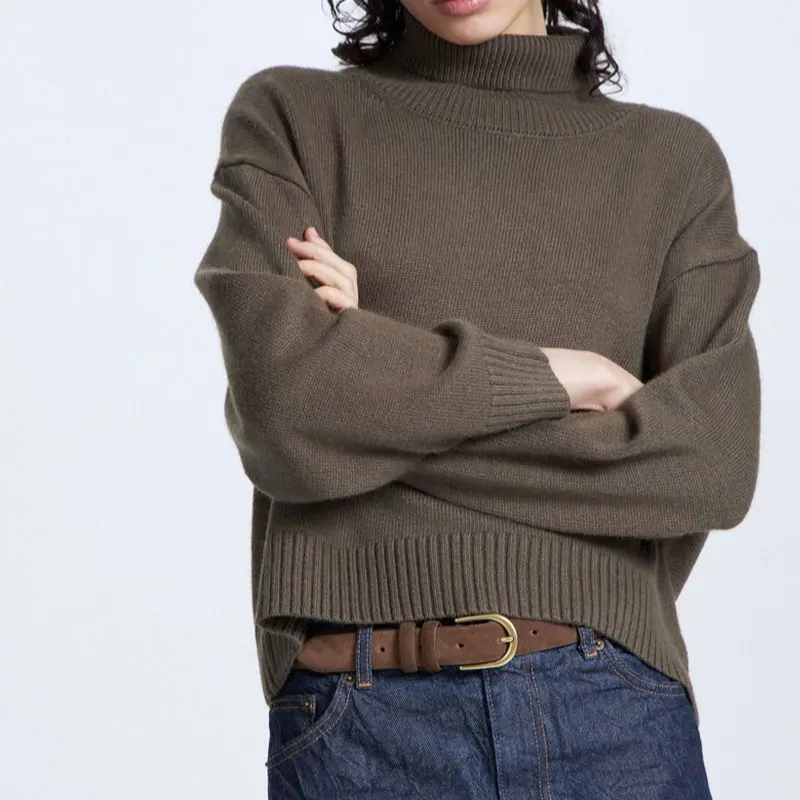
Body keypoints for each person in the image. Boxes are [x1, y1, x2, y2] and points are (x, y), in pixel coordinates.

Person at [193, 0, 761, 797]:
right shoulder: (294, 118)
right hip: (363, 719)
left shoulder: (673, 163)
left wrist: (372, 370)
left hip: (612, 714)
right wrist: (567, 378)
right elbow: (287, 414)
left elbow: (712, 465)